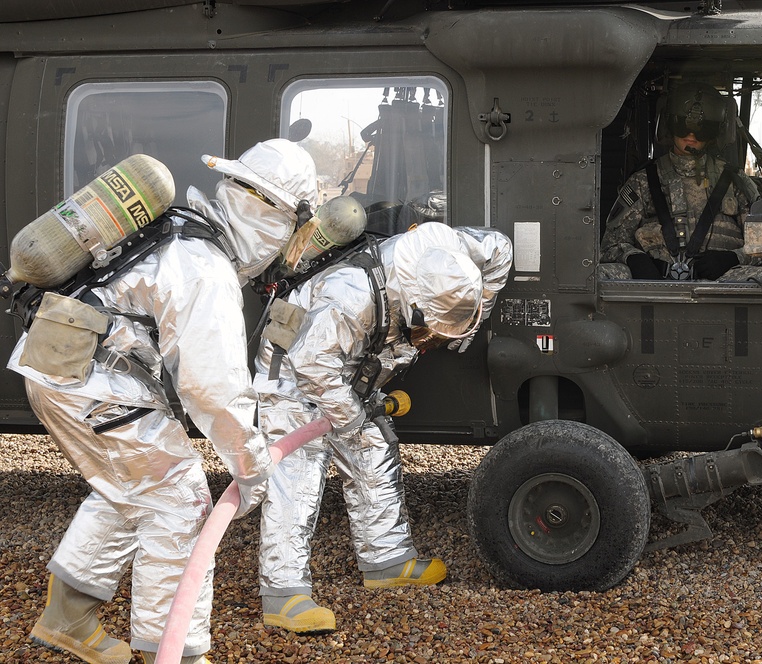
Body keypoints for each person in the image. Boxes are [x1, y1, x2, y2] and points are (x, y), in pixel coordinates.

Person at [8, 138, 320, 664]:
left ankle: (68, 619)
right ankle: (173, 651)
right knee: (179, 496)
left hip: (55, 361)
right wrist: (252, 468)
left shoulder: (179, 227)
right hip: (93, 379)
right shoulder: (205, 265)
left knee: (129, 487)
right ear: (277, 218)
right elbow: (214, 390)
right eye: (292, 231)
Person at [253, 220, 512, 634]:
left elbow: (501, 247)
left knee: (374, 452)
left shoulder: (457, 253)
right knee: (298, 473)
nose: (431, 345)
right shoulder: (351, 296)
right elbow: (311, 365)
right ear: (414, 305)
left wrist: (477, 311)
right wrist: (351, 419)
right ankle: (284, 594)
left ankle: (387, 560)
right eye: (430, 334)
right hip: (295, 367)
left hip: (349, 362)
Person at [600, 81, 759, 281]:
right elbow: (609, 246)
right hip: (654, 285)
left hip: (719, 286)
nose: (691, 134)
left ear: (715, 132)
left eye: (704, 128)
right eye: (682, 124)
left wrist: (733, 258)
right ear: (669, 125)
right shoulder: (642, 181)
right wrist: (633, 258)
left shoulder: (735, 182)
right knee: (599, 276)